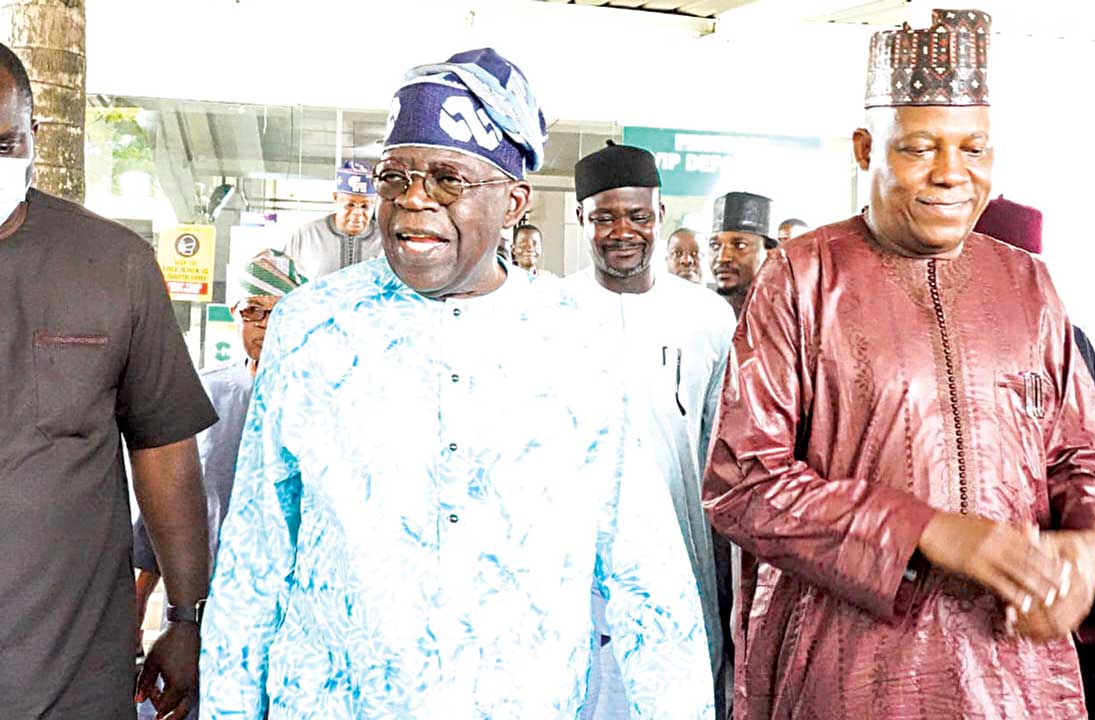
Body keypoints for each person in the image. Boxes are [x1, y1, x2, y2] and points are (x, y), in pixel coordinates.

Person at [199, 48, 714, 719]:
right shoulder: (311, 326)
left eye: (448, 180)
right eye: (395, 177)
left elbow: (646, 573)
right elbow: (256, 553)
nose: (413, 200)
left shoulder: (576, 339)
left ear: (513, 202)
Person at [703, 10, 1095, 719]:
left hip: (1016, 680)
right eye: (920, 147)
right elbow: (743, 482)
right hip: (850, 675)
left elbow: (1083, 458)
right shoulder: (802, 278)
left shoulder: (1027, 284)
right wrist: (929, 532)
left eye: (973, 148)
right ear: (866, 148)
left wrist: (1091, 549)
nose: (951, 174)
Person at [0, 43, 216, 720]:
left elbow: (165, 450)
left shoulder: (113, 265)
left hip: (69, 679)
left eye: (2, 143)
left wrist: (185, 617)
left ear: (34, 136)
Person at [562, 142, 735, 719]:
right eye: (604, 217)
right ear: (581, 217)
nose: (622, 232)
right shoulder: (549, 312)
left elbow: (720, 456)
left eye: (637, 216)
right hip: (574, 563)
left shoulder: (708, 317)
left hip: (682, 557)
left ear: (659, 214)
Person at [975, 195, 1095, 720]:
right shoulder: (932, 346)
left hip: (1061, 563)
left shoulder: (1068, 340)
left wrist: (1087, 546)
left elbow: (1088, 458)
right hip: (977, 566)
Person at [132, 251, 308, 720]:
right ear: (235, 315)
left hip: (288, 610)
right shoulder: (202, 394)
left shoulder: (321, 400)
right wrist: (139, 604)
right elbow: (165, 508)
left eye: (279, 312)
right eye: (253, 311)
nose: (265, 325)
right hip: (202, 607)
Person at [284, 159, 383, 278]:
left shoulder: (384, 238)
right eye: (350, 205)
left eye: (365, 206)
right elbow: (282, 274)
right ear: (336, 198)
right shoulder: (307, 233)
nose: (357, 213)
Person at [708, 191, 774, 318]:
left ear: (770, 252)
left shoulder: (791, 318)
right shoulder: (698, 313)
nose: (722, 258)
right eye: (715, 246)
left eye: (739, 245)